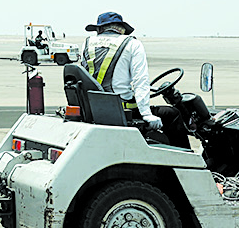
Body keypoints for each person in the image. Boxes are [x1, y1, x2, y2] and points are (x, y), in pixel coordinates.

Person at [79, 11, 188, 149]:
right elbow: (140, 81)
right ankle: (186, 157)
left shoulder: (87, 43)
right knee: (173, 114)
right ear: (121, 28)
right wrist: (146, 115)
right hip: (121, 111)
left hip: (92, 109)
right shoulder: (132, 44)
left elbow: (84, 75)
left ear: (100, 28)